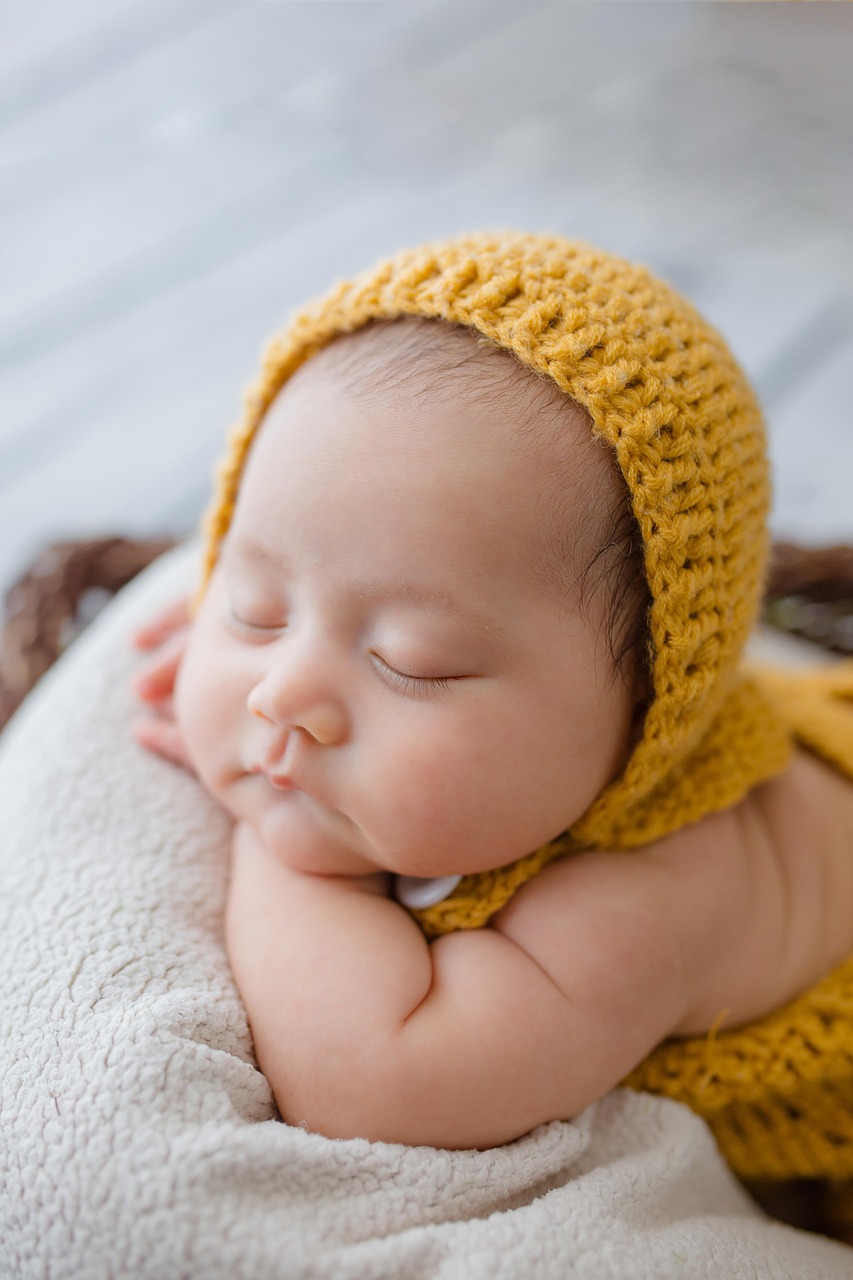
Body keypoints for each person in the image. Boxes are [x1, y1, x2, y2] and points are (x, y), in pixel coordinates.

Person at [131, 232, 853, 1169]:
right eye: (256, 608)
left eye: (411, 662)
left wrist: (282, 842)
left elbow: (374, 1078)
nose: (282, 695)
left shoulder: (648, 900)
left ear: (649, 712)